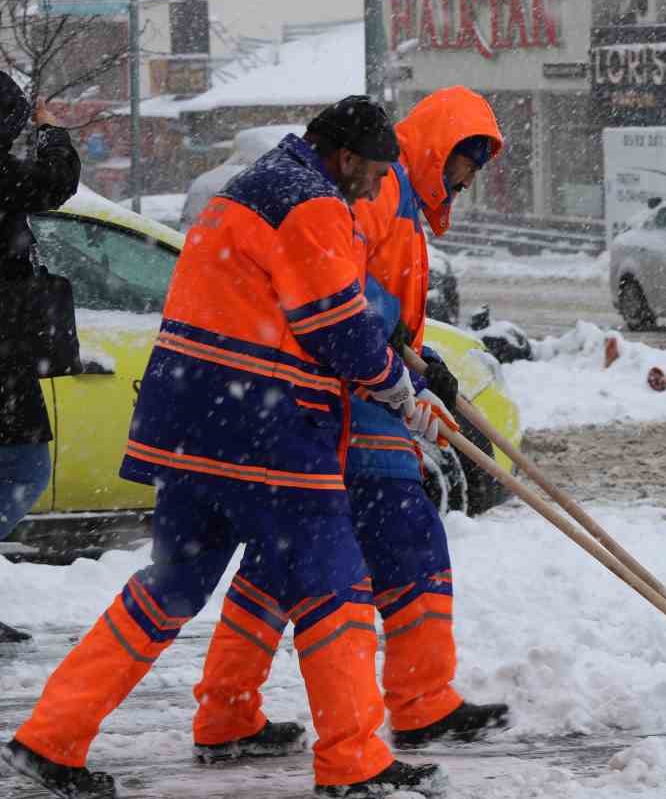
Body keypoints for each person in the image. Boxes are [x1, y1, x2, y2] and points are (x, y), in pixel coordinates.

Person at [3, 97, 452, 799]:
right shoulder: (311, 201)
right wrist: (398, 391)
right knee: (334, 583)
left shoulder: (248, 188)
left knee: (171, 585)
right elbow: (334, 324)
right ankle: (354, 762)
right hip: (264, 425)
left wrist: (385, 356)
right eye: (371, 174)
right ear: (345, 157)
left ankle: (51, 736)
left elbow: (289, 300)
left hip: (190, 419)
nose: (372, 190)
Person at [191, 86, 508, 763]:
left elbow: (379, 306)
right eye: (468, 161)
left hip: (344, 386)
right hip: (357, 393)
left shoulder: (403, 198)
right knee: (411, 541)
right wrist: (403, 368)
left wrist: (426, 363)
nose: (470, 179)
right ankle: (421, 705)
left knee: (279, 561)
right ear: (442, 150)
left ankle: (226, 708)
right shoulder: (385, 189)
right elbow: (349, 290)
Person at [0, 75, 80, 643]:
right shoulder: (3, 176)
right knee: (25, 471)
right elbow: (58, 182)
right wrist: (50, 131)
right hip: (4, 357)